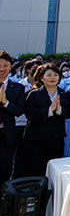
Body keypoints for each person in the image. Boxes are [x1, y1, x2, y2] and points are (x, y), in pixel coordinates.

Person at [18, 64, 70, 177]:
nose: (52, 78)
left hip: (56, 137)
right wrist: (49, 110)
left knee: (54, 168)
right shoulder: (34, 94)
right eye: (49, 75)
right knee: (36, 168)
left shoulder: (65, 93)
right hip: (36, 137)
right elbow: (30, 113)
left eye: (55, 75)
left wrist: (59, 110)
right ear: (42, 78)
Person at [0, 52, 25, 186]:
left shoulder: (17, 87)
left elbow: (19, 110)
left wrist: (6, 103)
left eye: (5, 65)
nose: (2, 69)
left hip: (6, 135)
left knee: (4, 171)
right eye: (0, 65)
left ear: (11, 67)